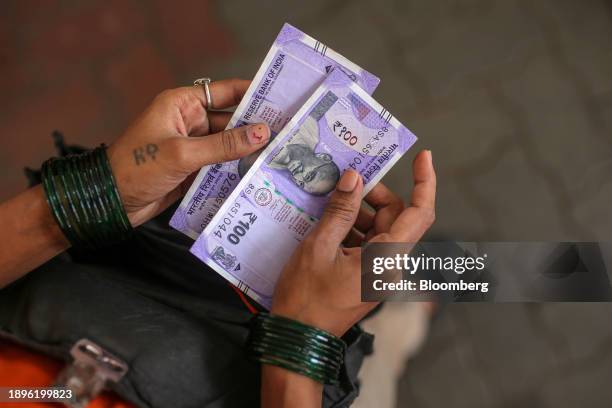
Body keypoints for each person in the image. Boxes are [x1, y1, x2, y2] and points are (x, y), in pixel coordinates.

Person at [0, 79, 436, 407]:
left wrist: (98, 193)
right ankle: (403, 321)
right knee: (376, 364)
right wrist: (305, 341)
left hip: (103, 280)